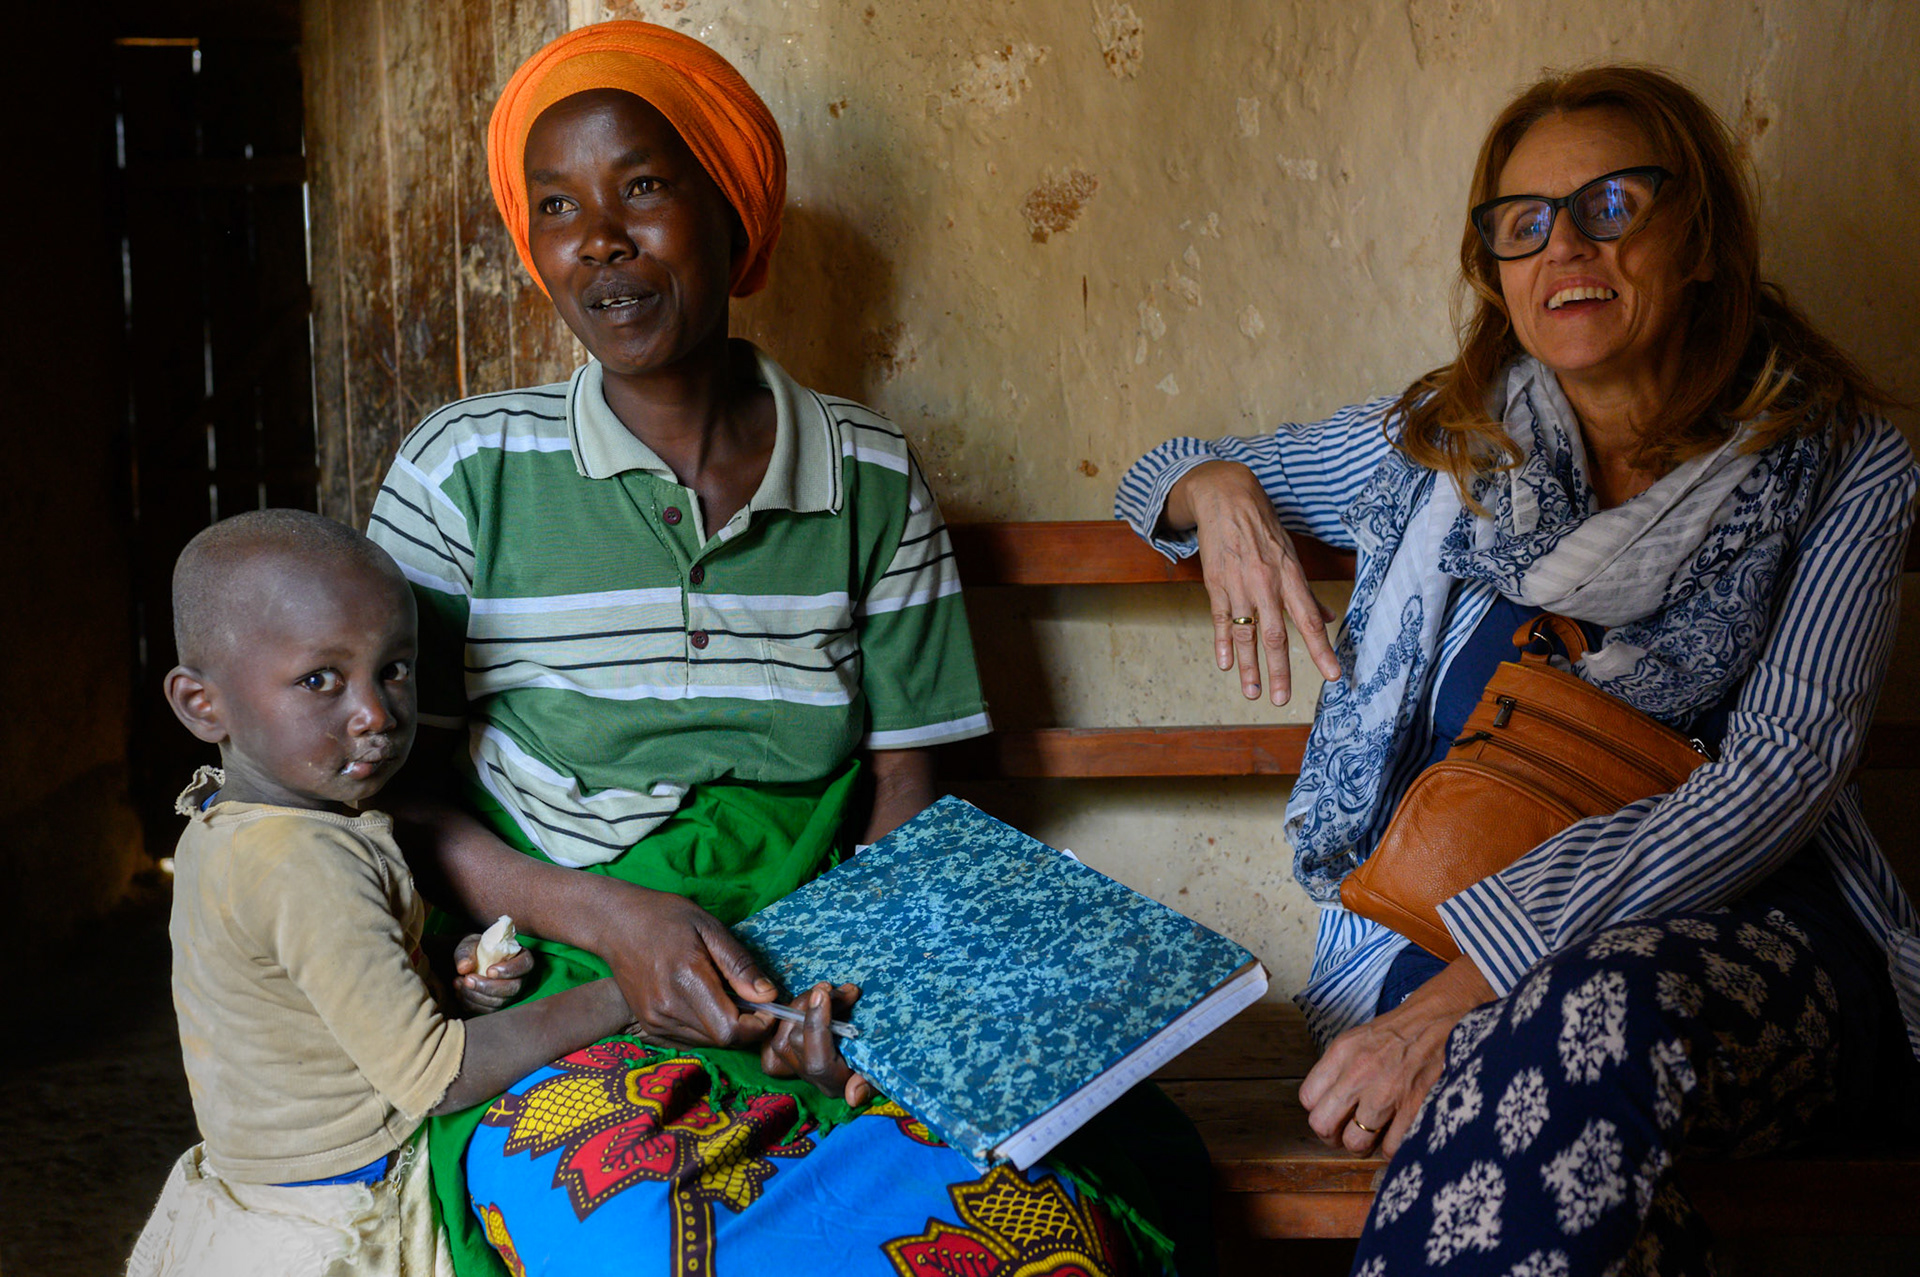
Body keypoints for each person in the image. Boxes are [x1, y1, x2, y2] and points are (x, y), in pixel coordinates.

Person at [366, 20, 1211, 1277]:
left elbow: (905, 788)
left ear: (733, 216)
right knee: (626, 1230)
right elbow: (403, 800)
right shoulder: (464, 470)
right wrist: (617, 919)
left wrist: (847, 999)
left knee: (1022, 1239)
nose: (600, 235)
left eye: (643, 186)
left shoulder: (866, 472)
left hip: (811, 966)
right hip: (558, 982)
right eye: (557, 205)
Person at [1116, 65, 1919, 1273]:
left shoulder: (1844, 461)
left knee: (1577, 1016)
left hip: (1741, 954)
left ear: (1698, 234)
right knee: (1557, 1134)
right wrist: (1213, 490)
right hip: (1429, 946)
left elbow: (1779, 772)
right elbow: (1165, 469)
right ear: (1494, 266)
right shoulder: (1446, 443)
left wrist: (1478, 981)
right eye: (1524, 223)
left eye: (1612, 206)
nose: (1567, 249)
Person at [129, 510, 636, 1277]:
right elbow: (439, 1075)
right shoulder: (301, 860)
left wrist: (447, 965)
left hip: (266, 1182)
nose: (375, 712)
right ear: (204, 704)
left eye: (394, 667)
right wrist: (627, 990)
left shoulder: (233, 815)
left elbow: (320, 974)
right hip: (338, 1210)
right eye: (318, 679)